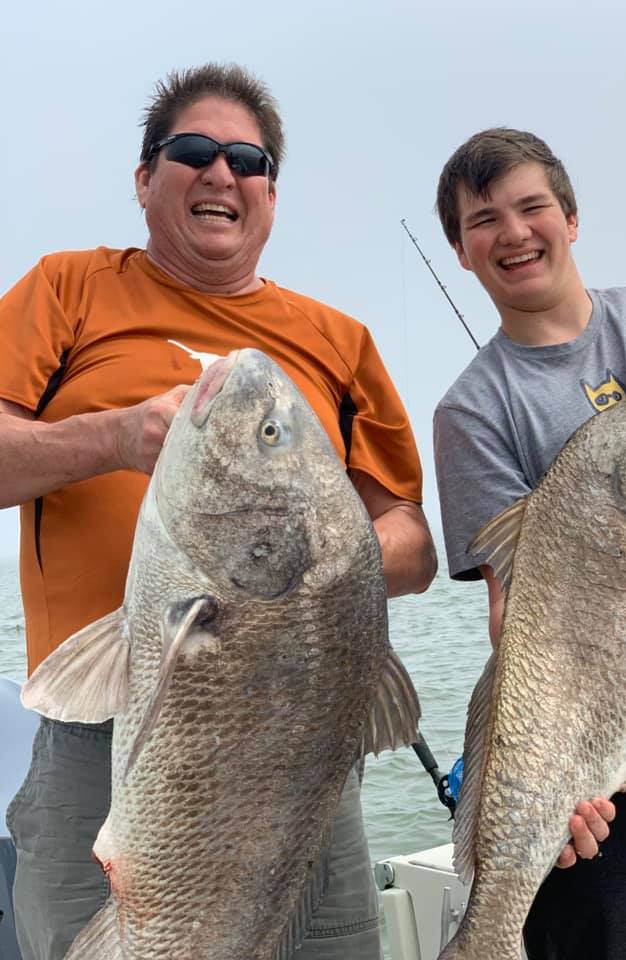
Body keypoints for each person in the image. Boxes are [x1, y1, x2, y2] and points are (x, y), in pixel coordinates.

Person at [0, 63, 437, 960]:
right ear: (144, 177)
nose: (221, 173)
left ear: (271, 194)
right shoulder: (67, 290)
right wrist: (116, 438)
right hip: (105, 733)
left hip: (300, 734)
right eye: (193, 151)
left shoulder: (338, 339)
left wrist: (316, 557)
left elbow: (411, 540)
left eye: (249, 159)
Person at [433, 128, 626, 960]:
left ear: (571, 217)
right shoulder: (471, 411)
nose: (515, 233)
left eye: (532, 207)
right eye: (485, 220)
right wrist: (559, 773)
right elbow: (511, 607)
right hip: (625, 781)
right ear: (460, 250)